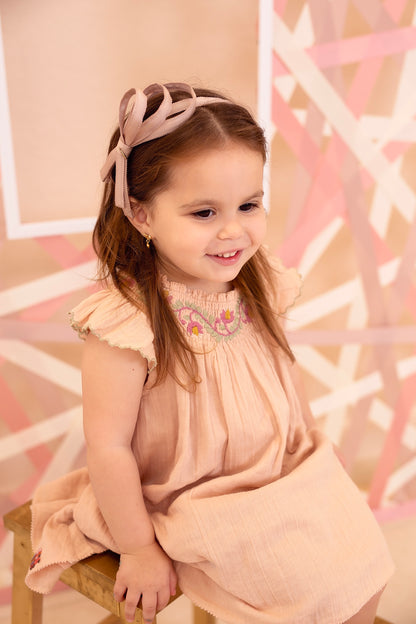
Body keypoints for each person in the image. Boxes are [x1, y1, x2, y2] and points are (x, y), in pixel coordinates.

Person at [26, 82, 394, 624]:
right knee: (308, 590)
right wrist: (139, 549)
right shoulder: (129, 323)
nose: (233, 231)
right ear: (141, 214)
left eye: (249, 205)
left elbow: (281, 369)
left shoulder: (256, 279)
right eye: (203, 213)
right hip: (190, 494)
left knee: (364, 559)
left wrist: (309, 438)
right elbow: (109, 448)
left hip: (274, 467)